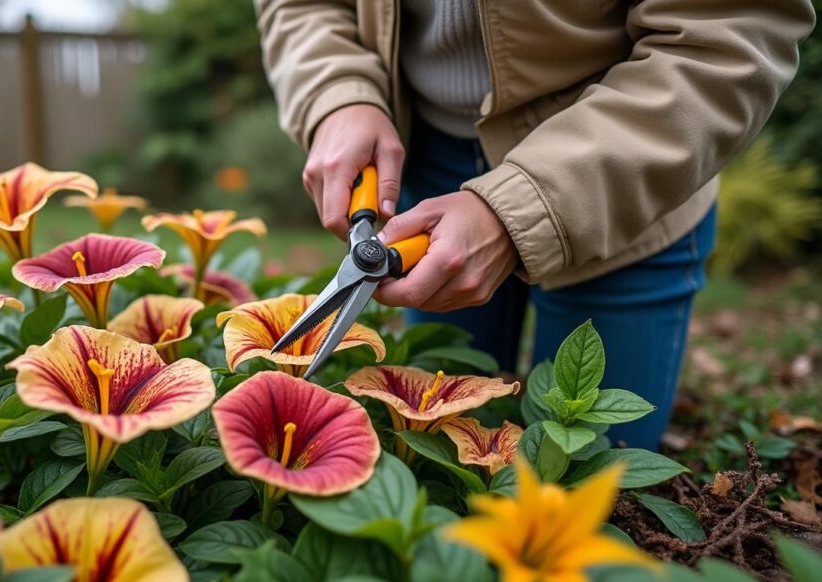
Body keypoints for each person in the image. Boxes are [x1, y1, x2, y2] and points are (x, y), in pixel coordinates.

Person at [255, 0, 816, 450]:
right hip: (420, 168)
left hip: (620, 174)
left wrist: (521, 209)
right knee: (440, 440)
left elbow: (729, 37)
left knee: (596, 478)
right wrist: (339, 95)